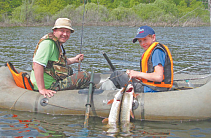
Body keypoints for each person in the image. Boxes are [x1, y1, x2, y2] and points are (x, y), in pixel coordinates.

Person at [30, 18, 90, 98]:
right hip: (49, 85)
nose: (65, 34)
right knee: (85, 75)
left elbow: (57, 63)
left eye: (67, 31)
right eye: (62, 30)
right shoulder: (48, 43)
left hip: (53, 79)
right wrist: (42, 89)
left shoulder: (57, 43)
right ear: (55, 31)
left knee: (69, 70)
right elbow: (37, 64)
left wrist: (74, 59)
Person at [109, 25, 173, 93]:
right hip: (150, 87)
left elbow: (158, 77)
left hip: (153, 89)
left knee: (116, 75)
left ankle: (106, 95)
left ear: (153, 37)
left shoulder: (157, 52)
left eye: (145, 39)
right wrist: (134, 75)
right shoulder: (152, 51)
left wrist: (137, 74)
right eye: (140, 41)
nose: (143, 43)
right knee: (121, 76)